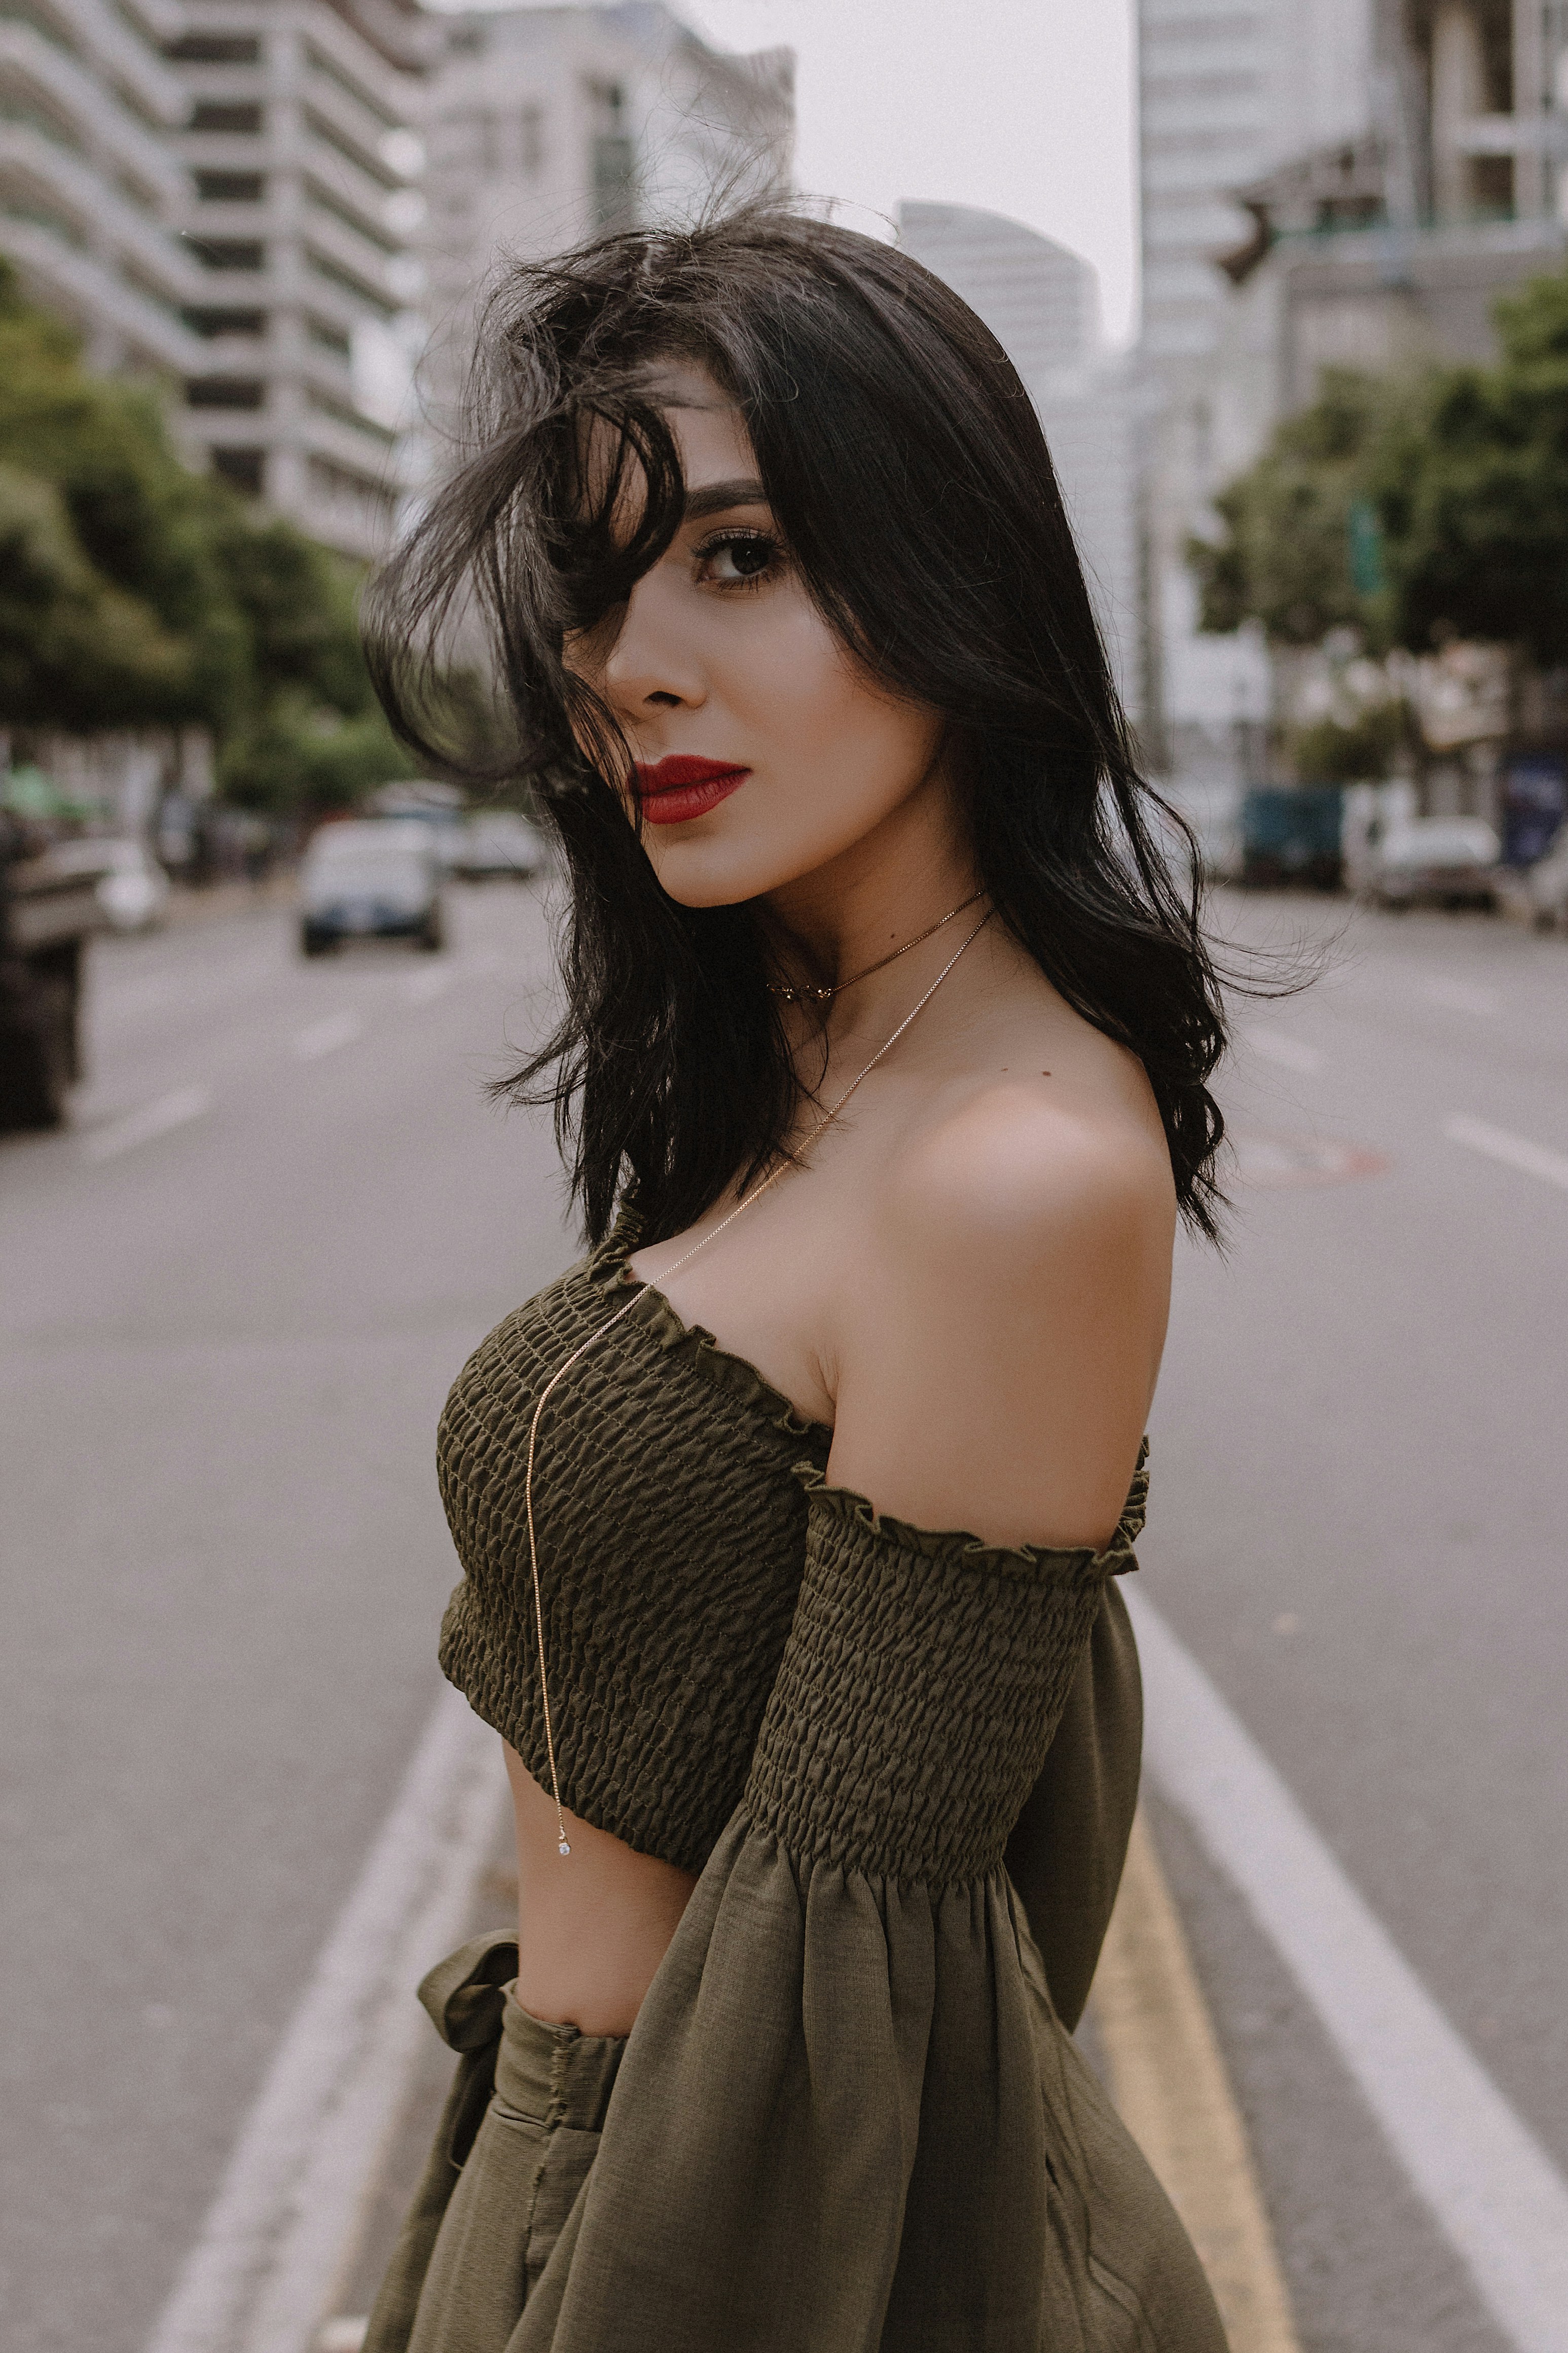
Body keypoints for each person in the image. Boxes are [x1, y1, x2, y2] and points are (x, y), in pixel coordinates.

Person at [361, 205, 1230, 2352]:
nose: (625, 659)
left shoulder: (1011, 1172)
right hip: (559, 2148)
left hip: (682, 2240)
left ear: (958, 572)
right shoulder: (824, 1056)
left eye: (739, 556)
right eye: (598, 584)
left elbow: (851, 2030)